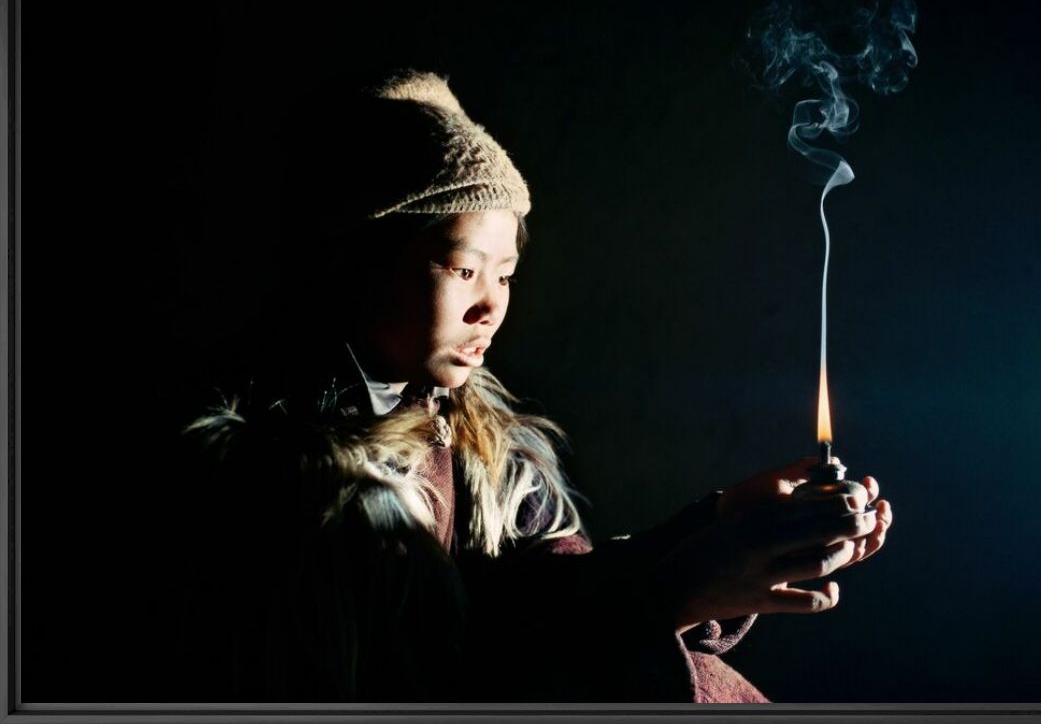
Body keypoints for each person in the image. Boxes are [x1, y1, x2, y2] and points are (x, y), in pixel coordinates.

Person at [176, 70, 893, 703]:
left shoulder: (488, 447)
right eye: (461, 269)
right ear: (355, 263)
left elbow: (545, 592)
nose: (490, 305)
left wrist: (716, 526)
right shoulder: (266, 478)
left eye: (505, 273)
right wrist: (672, 591)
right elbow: (438, 678)